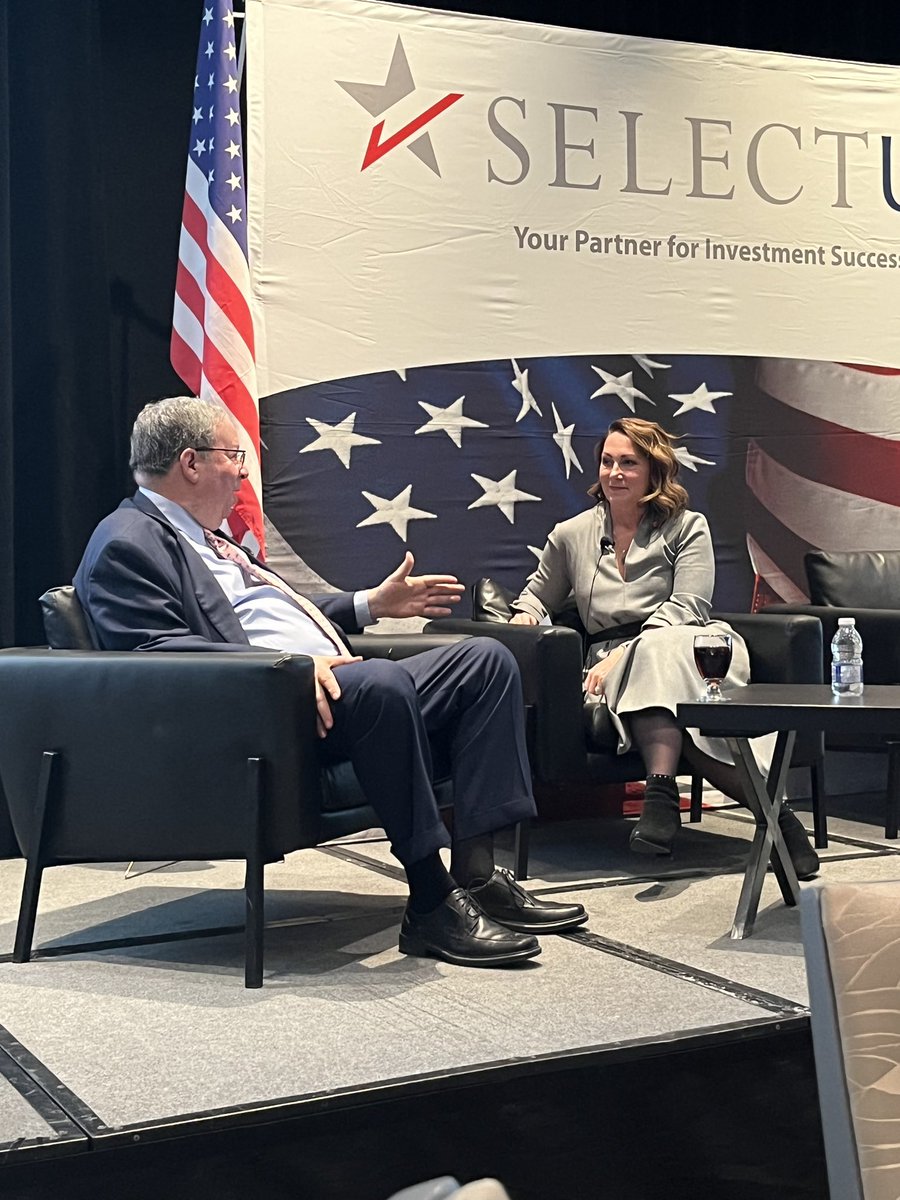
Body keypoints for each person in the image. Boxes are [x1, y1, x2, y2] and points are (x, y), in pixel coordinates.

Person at [75, 397, 587, 969]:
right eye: (233, 456)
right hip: (265, 716)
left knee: (486, 661)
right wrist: (290, 668)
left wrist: (372, 604)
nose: (242, 471)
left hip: (328, 688)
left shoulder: (207, 538)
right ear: (191, 463)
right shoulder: (127, 541)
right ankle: (431, 901)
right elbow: (156, 659)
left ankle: (478, 875)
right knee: (382, 684)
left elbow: (265, 611)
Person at [509, 416, 819, 878]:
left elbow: (690, 604)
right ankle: (776, 821)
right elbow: (536, 595)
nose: (614, 473)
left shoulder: (688, 526)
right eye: (607, 462)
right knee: (681, 712)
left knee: (656, 657)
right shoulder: (572, 533)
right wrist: (523, 621)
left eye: (628, 463)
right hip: (623, 664)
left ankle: (660, 797)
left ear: (654, 472)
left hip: (695, 650)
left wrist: (625, 654)